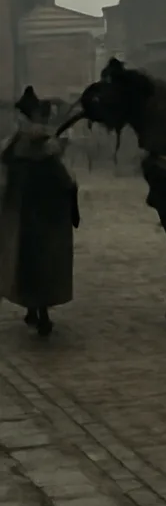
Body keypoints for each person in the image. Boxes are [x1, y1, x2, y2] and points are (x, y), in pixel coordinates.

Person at [0, 96, 81, 338]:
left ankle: (32, 310)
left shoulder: (13, 147)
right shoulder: (45, 152)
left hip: (21, 217)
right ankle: (41, 314)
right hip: (45, 218)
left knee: (26, 264)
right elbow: (65, 182)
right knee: (43, 265)